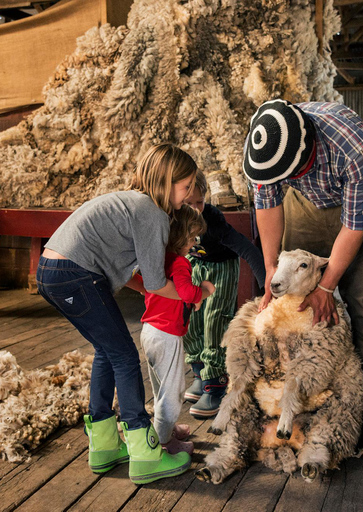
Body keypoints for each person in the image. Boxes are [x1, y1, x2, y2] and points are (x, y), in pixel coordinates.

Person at [243, 99, 363, 462]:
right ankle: (306, 408)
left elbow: (355, 225)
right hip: (306, 202)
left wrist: (327, 286)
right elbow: (267, 207)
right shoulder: (265, 148)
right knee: (297, 309)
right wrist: (271, 269)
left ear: (307, 152)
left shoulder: (352, 146)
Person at [36, 144, 195, 485]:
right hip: (75, 273)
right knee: (124, 356)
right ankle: (144, 452)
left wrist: (154, 288)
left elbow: (141, 282)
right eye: (186, 186)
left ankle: (105, 446)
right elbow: (156, 282)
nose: (189, 194)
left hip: (54, 268)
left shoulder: (131, 203)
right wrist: (194, 294)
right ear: (166, 183)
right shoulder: (152, 212)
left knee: (108, 354)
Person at [182, 171, 266, 418]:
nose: (195, 209)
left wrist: (266, 288)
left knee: (214, 321)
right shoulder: (174, 215)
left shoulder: (213, 220)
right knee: (191, 319)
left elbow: (246, 249)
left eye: (200, 201)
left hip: (221, 267)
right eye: (189, 203)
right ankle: (199, 372)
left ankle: (216, 383)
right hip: (195, 264)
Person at [136, 206, 215, 455]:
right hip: (167, 335)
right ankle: (164, 442)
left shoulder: (160, 258)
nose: (194, 244)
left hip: (149, 330)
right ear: (181, 237)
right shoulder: (180, 262)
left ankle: (165, 429)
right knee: (173, 392)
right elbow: (186, 292)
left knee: (160, 387)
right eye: (192, 238)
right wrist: (204, 289)